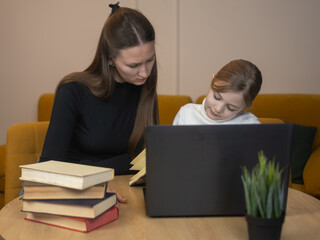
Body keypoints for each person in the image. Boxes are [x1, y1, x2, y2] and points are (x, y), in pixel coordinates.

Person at [39, 3, 158, 202]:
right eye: (133, 65)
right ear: (110, 59)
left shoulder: (144, 91)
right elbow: (49, 166)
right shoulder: (73, 90)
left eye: (150, 60)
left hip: (117, 190)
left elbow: (142, 162)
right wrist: (93, 179)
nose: (144, 73)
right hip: (68, 189)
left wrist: (89, 168)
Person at [173, 59, 262, 125]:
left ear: (245, 106)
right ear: (212, 81)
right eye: (217, 97)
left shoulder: (250, 124)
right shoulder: (186, 114)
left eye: (230, 108)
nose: (218, 109)